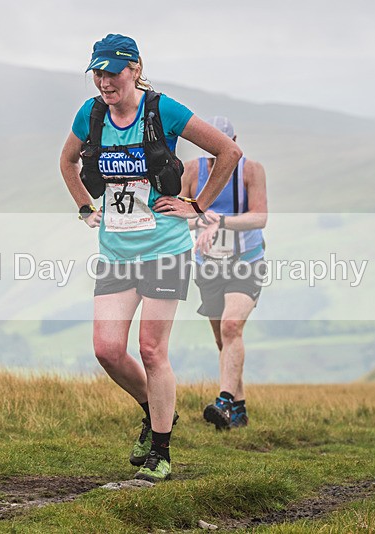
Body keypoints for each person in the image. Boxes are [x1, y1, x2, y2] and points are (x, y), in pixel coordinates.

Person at [60, 34, 240, 482]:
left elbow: (228, 152)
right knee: (106, 350)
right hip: (117, 252)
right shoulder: (91, 114)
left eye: (112, 71)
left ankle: (161, 451)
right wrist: (86, 206)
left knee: (151, 349)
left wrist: (197, 206)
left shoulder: (163, 111)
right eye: (97, 72)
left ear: (135, 68)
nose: (104, 81)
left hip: (164, 249)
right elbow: (66, 163)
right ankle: (155, 412)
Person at [181, 116, 267, 431]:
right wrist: (203, 220)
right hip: (209, 264)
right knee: (223, 340)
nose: (219, 154)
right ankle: (239, 410)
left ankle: (223, 402)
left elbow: (260, 217)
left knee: (232, 327)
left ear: (235, 140)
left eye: (225, 145)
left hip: (246, 260)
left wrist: (223, 222)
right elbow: (178, 217)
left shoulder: (251, 170)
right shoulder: (192, 171)